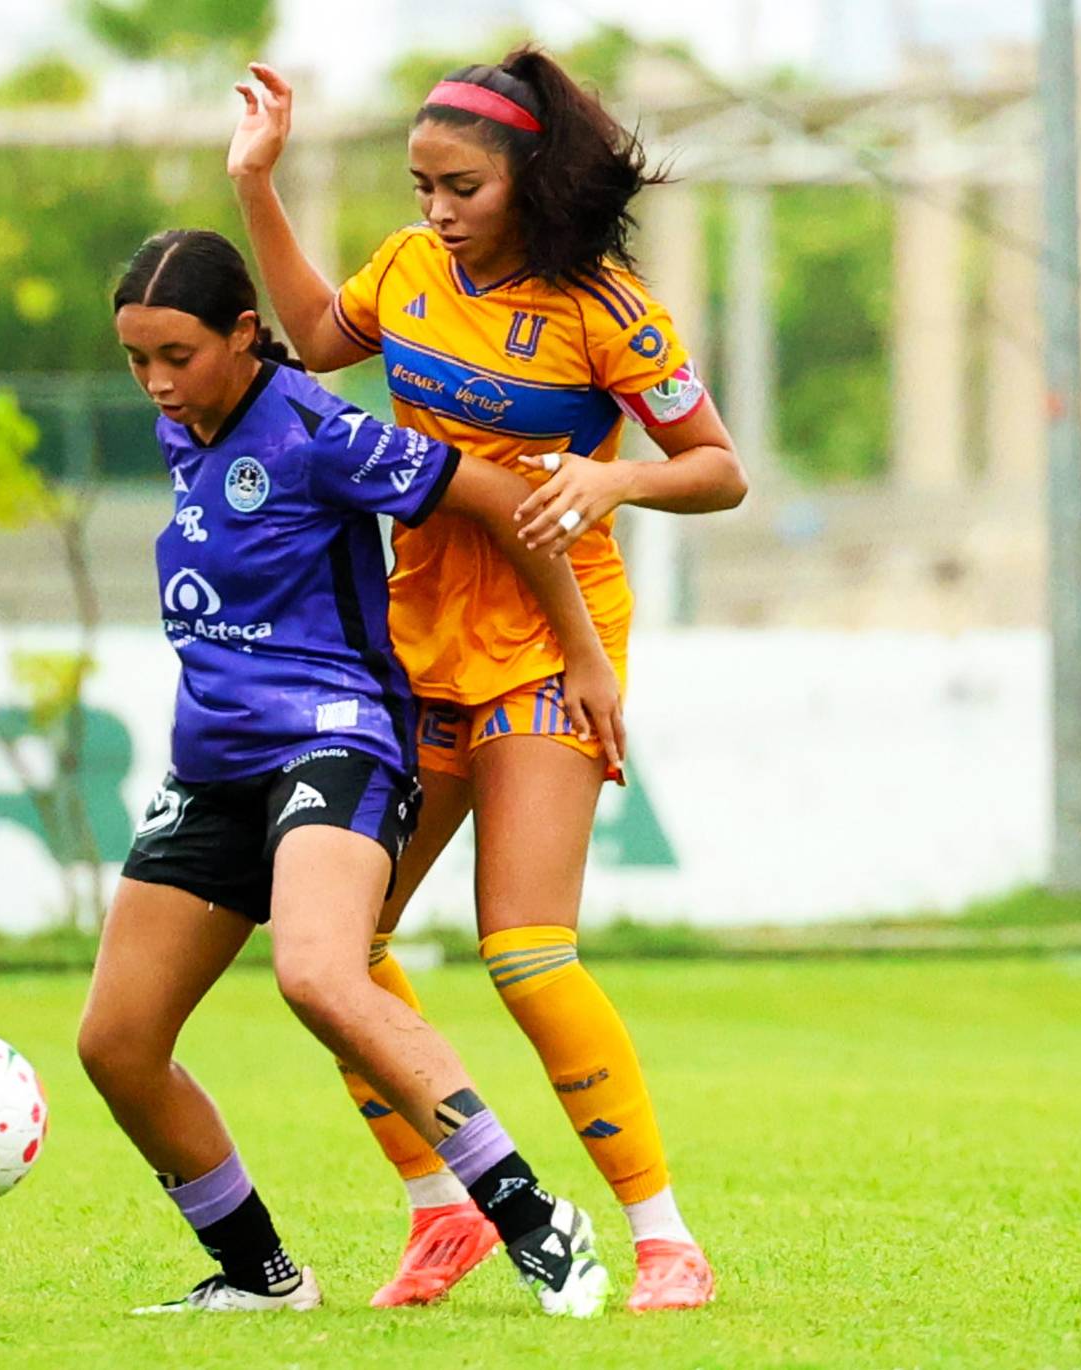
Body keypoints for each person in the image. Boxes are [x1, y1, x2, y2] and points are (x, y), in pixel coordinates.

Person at [229, 49, 749, 1312]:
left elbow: (718, 468)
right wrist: (257, 181)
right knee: (328, 950)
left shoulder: (604, 307)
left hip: (548, 643)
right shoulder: (409, 273)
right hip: (410, 641)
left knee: (523, 947)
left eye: (458, 184)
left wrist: (616, 477)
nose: (435, 209)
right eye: (420, 185)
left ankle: (664, 1237)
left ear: (525, 178)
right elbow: (309, 337)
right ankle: (439, 1203)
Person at [76, 227, 626, 1317]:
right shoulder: (180, 425)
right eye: (137, 359)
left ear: (243, 334)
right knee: (117, 1042)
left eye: (176, 355)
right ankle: (258, 1273)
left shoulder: (323, 431)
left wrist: (582, 649)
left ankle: (527, 1214)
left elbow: (509, 504)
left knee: (319, 972)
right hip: (214, 761)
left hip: (337, 738)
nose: (156, 382)